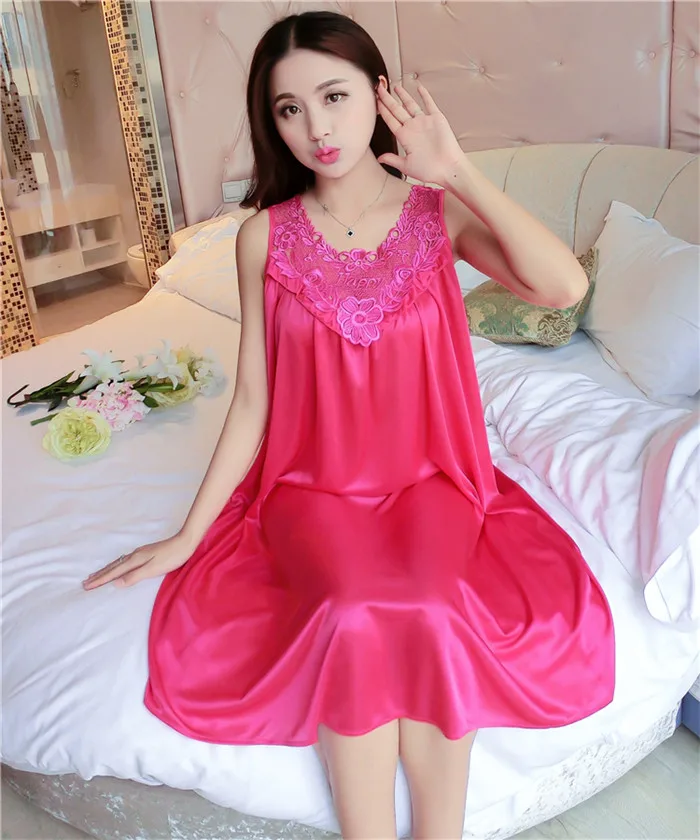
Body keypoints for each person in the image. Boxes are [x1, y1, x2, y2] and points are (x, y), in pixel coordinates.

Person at [83, 11, 615, 840]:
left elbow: (562, 289)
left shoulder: (437, 216)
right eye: (289, 109)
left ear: (379, 95)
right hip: (312, 486)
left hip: (434, 479)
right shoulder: (261, 237)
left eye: (334, 97)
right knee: (350, 606)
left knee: (433, 604)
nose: (317, 128)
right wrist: (190, 534)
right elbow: (254, 398)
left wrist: (459, 172)